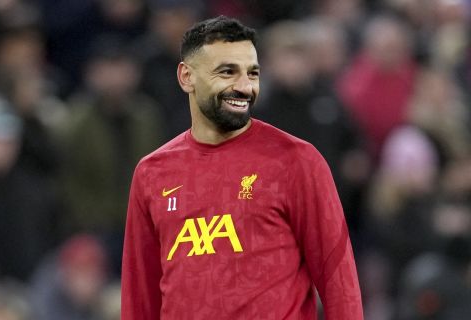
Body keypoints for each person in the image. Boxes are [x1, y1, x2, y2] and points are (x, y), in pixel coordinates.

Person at [121, 16, 363, 319]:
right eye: (227, 72)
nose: (245, 87)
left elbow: (339, 281)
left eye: (253, 73)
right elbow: (139, 298)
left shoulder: (295, 161)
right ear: (186, 77)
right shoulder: (152, 174)